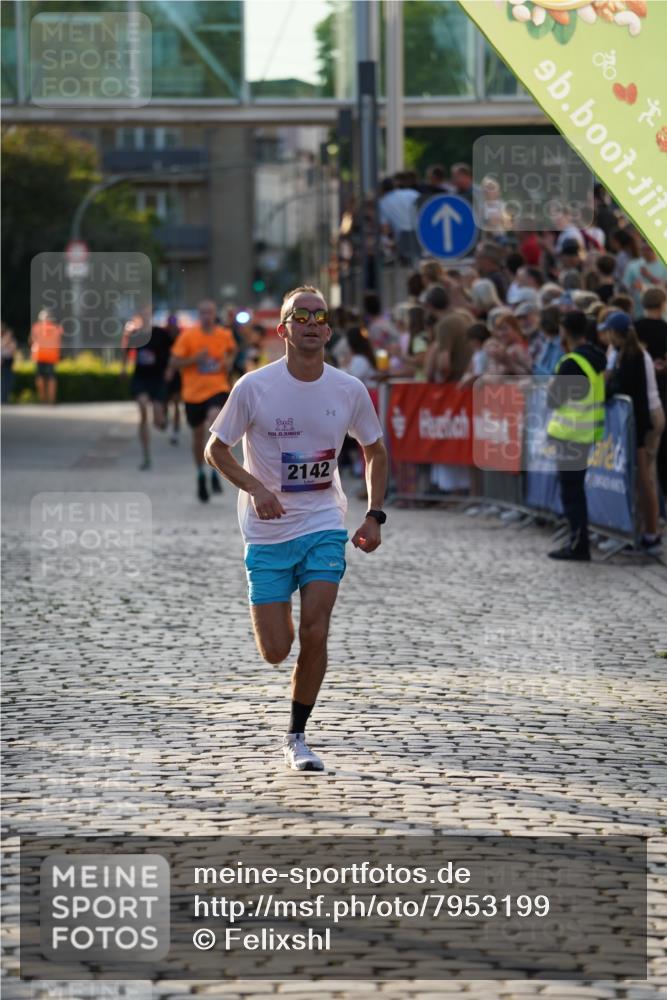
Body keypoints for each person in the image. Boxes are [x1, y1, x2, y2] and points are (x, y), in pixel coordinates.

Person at [204, 286, 387, 772]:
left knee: (316, 629)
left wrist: (375, 513)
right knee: (275, 650)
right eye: (299, 315)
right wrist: (255, 487)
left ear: (327, 329)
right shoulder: (254, 387)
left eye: (318, 315)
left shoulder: (348, 389)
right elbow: (215, 450)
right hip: (266, 532)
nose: (310, 322)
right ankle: (275, 619)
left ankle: (297, 735)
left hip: (324, 522)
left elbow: (375, 450)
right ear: (283, 329)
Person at [546, 310, 606, 561]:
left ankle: (578, 544)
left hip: (571, 433)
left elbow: (555, 400)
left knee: (571, 493)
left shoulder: (571, 362)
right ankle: (578, 540)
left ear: (563, 331)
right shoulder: (597, 357)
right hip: (587, 432)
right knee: (576, 490)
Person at [169, 299, 236, 502]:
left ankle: (215, 470)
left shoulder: (223, 335)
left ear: (215, 314)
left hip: (218, 388)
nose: (207, 316)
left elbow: (233, 350)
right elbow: (173, 362)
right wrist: (194, 359)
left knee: (213, 422)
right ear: (199, 315)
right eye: (204, 312)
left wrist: (227, 362)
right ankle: (201, 474)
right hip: (192, 394)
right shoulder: (188, 336)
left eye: (210, 312)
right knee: (198, 435)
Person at [603, 311, 659, 553]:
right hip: (634, 420)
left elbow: (619, 386)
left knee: (644, 479)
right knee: (636, 479)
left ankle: (651, 533)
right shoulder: (623, 354)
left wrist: (608, 379)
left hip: (638, 422)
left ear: (616, 333)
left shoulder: (633, 356)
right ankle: (637, 531)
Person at [121, 306, 172, 470]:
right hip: (141, 377)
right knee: (143, 409)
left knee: (158, 421)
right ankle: (146, 455)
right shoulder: (135, 335)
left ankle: (162, 417)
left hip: (158, 379)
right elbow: (126, 351)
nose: (145, 317)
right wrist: (123, 368)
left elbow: (173, 352)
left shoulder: (160, 333)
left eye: (148, 315)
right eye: (142, 315)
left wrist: (170, 370)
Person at [30, 309, 63, 404]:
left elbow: (32, 340)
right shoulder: (57, 328)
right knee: (51, 377)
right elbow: (59, 342)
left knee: (40, 377)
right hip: (52, 356)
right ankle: (51, 400)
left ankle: (43, 399)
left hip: (39, 355)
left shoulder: (36, 327)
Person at [164, 313, 182, 446]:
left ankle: (175, 430)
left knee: (176, 403)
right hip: (164, 374)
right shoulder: (163, 337)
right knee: (165, 402)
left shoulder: (181, 337)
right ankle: (166, 422)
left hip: (177, 375)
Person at [1, 323, 17, 404]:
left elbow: (13, 351)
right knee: (4, 383)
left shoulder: (12, 342)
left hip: (9, 365)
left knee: (8, 382)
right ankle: (2, 399)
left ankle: (5, 399)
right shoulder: (2, 341)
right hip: (4, 365)